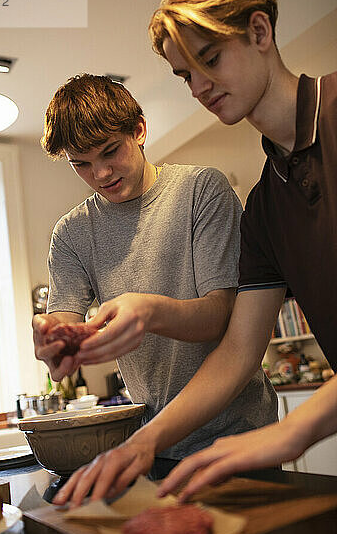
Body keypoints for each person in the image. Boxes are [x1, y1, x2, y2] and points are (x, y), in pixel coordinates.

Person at [53, 0, 337, 506]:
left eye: (210, 59)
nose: (200, 87)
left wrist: (291, 430)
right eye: (185, 75)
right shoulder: (264, 209)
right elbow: (236, 351)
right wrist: (147, 443)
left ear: (260, 32)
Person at [33, 72, 277, 495]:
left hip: (241, 435)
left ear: (139, 129)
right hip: (154, 442)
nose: (102, 172)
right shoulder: (71, 234)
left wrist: (148, 312)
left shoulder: (202, 190)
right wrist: (57, 347)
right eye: (82, 164)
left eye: (110, 151)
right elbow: (63, 330)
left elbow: (221, 317)